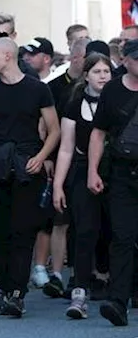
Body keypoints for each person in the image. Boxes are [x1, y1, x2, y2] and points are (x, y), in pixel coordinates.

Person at [0, 37, 59, 317]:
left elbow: (54, 129)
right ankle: (1, 286)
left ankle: (17, 292)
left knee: (22, 230)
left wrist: (41, 158)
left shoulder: (38, 90)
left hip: (28, 166)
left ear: (8, 56)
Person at [53, 53, 113, 318]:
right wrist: (58, 185)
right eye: (97, 71)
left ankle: (114, 281)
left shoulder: (119, 100)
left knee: (116, 230)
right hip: (80, 170)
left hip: (115, 172)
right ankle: (79, 290)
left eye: (106, 71)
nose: (102, 76)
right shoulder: (75, 104)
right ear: (86, 75)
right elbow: (65, 148)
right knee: (85, 230)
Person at [88, 39, 138, 326]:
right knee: (121, 237)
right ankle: (118, 302)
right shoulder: (114, 90)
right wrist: (92, 171)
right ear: (125, 61)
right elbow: (98, 133)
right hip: (121, 174)